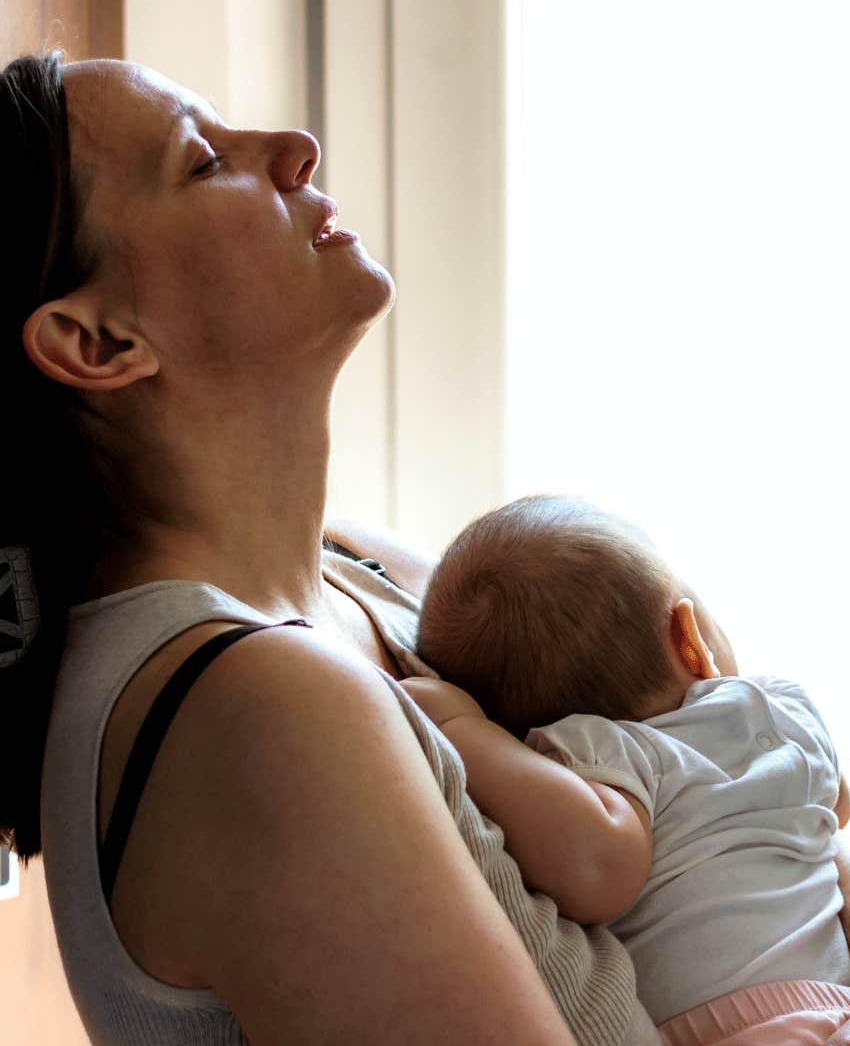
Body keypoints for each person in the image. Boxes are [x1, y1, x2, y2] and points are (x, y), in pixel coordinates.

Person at [0, 53, 662, 1045]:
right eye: (200, 158)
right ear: (97, 344)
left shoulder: (368, 575)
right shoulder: (253, 706)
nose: (293, 149)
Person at [403, 493, 850, 1044]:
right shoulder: (776, 708)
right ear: (690, 639)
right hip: (816, 1006)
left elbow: (596, 872)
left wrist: (459, 728)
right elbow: (836, 804)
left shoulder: (602, 757)